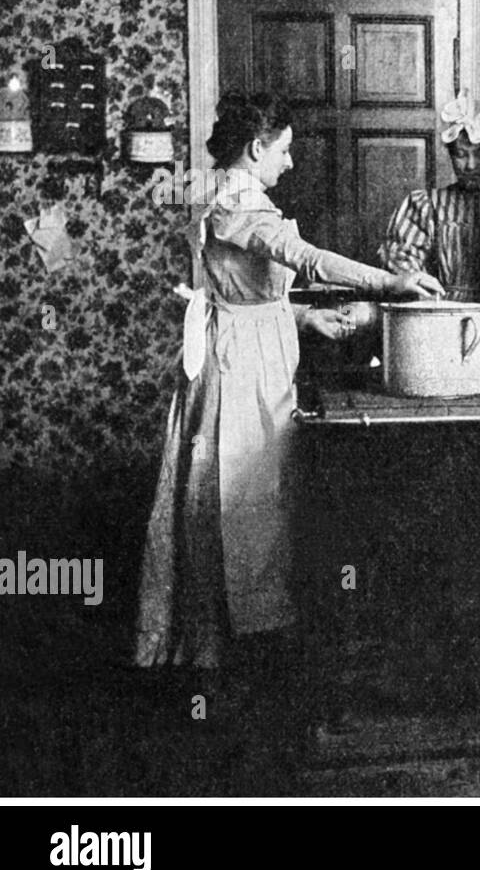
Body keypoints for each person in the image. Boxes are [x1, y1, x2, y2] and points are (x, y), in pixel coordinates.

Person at [135, 93, 442, 671]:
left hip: (249, 352)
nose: (291, 162)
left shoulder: (222, 194)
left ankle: (238, 638)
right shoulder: (239, 201)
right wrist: (391, 283)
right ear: (256, 149)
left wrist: (305, 317)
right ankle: (231, 647)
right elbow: (306, 258)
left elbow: (240, 292)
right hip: (241, 368)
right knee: (239, 497)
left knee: (248, 496)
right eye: (285, 150)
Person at [378, 90, 480, 303]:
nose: (471, 165)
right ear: (450, 154)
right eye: (461, 155)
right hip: (442, 314)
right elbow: (400, 263)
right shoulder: (427, 206)